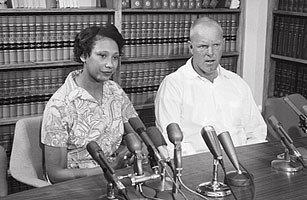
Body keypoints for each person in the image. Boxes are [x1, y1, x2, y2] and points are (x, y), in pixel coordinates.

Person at [155, 16, 267, 157]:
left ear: (224, 44)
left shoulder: (237, 83)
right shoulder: (173, 85)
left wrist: (247, 161)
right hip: (198, 168)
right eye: (203, 46)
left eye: (216, 45)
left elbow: (256, 132)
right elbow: (172, 143)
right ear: (191, 47)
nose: (210, 53)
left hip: (241, 164)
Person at [41, 24, 138, 183]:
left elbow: (137, 133)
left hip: (117, 177)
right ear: (84, 56)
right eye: (102, 56)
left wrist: (131, 154)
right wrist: (111, 167)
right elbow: (56, 174)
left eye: (115, 57)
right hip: (78, 185)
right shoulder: (59, 106)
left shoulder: (115, 91)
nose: (110, 65)